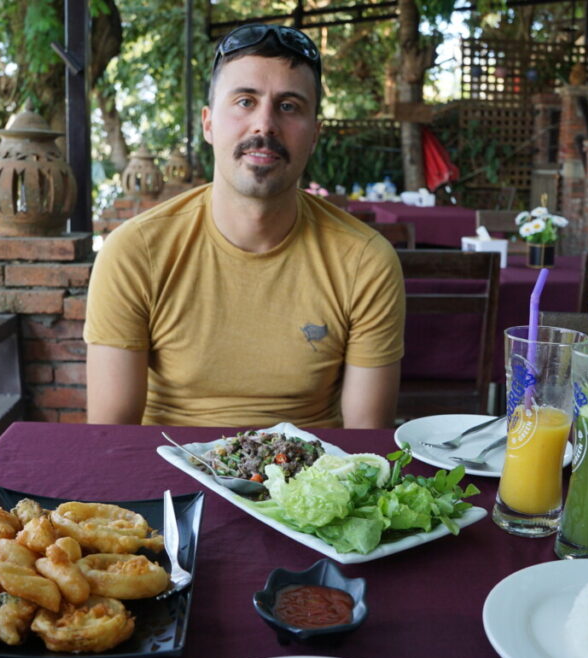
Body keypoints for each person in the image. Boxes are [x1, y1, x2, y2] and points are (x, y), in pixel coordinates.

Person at [84, 23, 405, 428]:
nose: (264, 124)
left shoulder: (365, 261)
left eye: (289, 106)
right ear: (208, 123)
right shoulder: (135, 252)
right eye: (244, 101)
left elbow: (366, 439)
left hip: (315, 466)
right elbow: (110, 436)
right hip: (168, 464)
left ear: (315, 135)